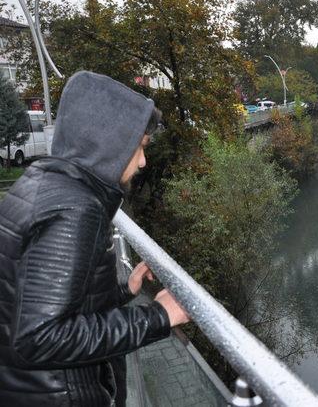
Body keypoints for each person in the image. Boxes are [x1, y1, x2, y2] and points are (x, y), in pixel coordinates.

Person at [0, 71, 190, 406]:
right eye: (140, 148)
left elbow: (37, 300)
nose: (144, 161)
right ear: (110, 142)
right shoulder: (77, 207)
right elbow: (38, 338)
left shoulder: (38, 182)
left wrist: (124, 289)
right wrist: (160, 316)